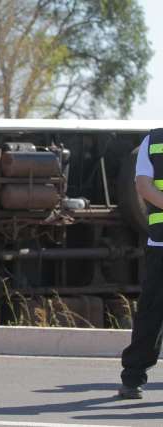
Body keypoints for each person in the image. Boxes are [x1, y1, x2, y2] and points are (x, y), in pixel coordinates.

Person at [118, 129, 163, 399]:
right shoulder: (154, 141)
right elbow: (143, 186)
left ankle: (133, 378)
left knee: (151, 311)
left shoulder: (154, 140)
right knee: (150, 312)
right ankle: (132, 377)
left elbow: (145, 186)